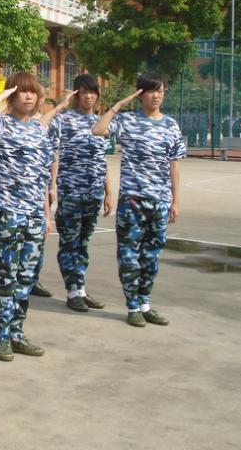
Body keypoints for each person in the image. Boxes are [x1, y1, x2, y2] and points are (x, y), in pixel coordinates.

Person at [93, 72, 185, 328]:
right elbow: (98, 129)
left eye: (161, 90)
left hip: (159, 201)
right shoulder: (127, 120)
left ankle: (145, 303)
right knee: (129, 255)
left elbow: (174, 165)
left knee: (151, 256)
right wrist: (119, 105)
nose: (157, 95)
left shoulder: (171, 125)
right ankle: (132, 306)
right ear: (140, 94)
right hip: (133, 201)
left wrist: (175, 201)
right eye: (151, 90)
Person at [0, 72, 54, 361]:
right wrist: (1, 97)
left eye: (32, 92)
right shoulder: (2, 125)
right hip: (7, 212)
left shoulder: (40, 130)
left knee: (26, 277)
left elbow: (43, 177)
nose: (28, 96)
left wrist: (47, 216)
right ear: (12, 95)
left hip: (34, 214)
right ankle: (2, 336)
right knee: (5, 276)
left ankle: (18, 332)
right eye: (22, 92)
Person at [52, 75, 112, 312]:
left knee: (83, 244)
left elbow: (102, 161)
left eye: (93, 92)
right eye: (84, 92)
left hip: (93, 193)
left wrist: (108, 192)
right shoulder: (64, 120)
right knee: (70, 243)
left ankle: (81, 289)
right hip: (71, 192)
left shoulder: (101, 122)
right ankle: (72, 291)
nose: (89, 96)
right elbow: (52, 153)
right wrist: (52, 185)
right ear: (76, 94)